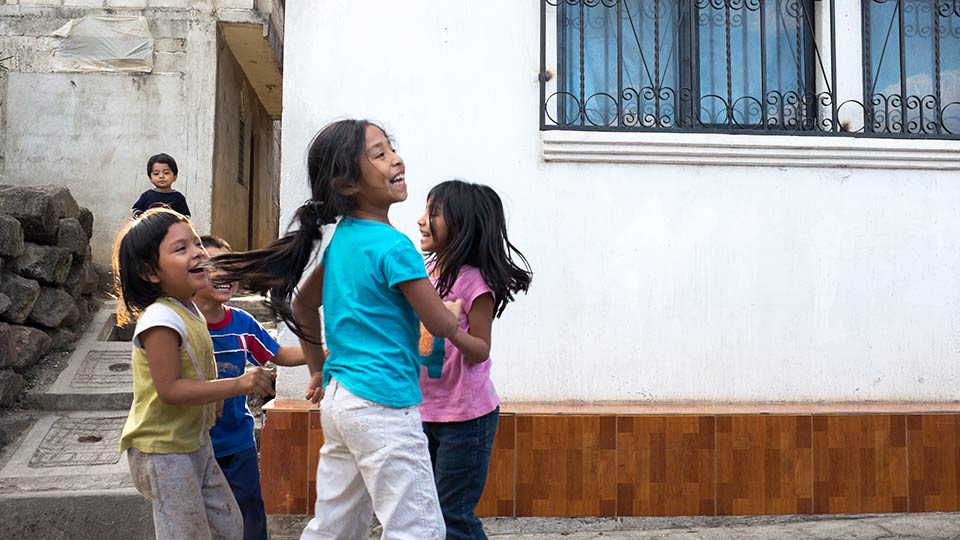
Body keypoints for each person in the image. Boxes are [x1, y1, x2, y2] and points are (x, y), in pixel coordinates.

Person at [208, 118, 472, 539]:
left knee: (335, 524)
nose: (395, 159)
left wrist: (316, 369)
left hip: (341, 402)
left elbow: (302, 306)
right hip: (384, 405)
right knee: (418, 527)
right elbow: (437, 323)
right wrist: (455, 308)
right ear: (347, 184)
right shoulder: (394, 245)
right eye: (379, 154)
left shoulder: (343, 240)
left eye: (391, 148)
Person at [112, 207, 276, 540]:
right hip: (163, 452)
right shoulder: (160, 320)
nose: (197, 252)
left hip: (194, 443)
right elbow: (170, 389)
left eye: (195, 243)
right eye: (181, 248)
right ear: (150, 273)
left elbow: (199, 365)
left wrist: (211, 403)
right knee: (184, 533)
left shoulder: (189, 310)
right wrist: (236, 384)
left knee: (229, 526)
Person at [416, 180, 532, 540]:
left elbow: (481, 347)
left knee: (452, 516)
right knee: (425, 510)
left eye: (433, 213)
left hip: (466, 419)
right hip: (424, 411)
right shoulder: (426, 273)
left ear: (461, 226)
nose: (421, 220)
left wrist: (450, 328)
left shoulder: (474, 282)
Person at [193, 234, 306, 540]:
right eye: (214, 267)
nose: (225, 276)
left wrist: (324, 350)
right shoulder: (181, 323)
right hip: (193, 444)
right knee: (199, 521)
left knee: (250, 519)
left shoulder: (242, 323)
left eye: (232, 268)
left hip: (237, 441)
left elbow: (280, 355)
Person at [132, 153, 191, 218]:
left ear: (175, 177)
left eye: (166, 173)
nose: (161, 176)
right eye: (156, 173)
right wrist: (142, 217)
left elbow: (186, 217)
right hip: (149, 227)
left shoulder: (178, 197)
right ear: (150, 178)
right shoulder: (147, 196)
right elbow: (135, 210)